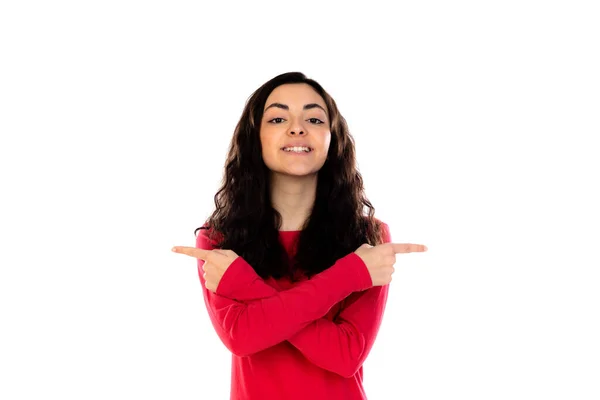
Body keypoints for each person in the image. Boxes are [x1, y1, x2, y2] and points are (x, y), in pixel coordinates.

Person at [172, 72, 427, 399]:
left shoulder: (368, 237)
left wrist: (247, 287)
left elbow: (344, 355)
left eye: (314, 118)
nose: (297, 127)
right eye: (278, 118)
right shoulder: (219, 242)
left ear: (332, 139)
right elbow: (241, 338)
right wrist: (351, 274)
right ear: (256, 138)